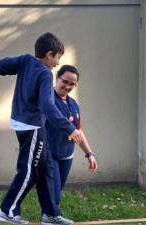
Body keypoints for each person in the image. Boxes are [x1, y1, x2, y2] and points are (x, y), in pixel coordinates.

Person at [0, 32, 82, 225]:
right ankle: (6, 209)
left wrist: (20, 62)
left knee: (46, 166)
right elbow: (49, 106)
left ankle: (50, 214)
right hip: (32, 126)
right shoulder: (44, 73)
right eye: (58, 58)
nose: (58, 63)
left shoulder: (25, 61)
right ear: (49, 54)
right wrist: (69, 128)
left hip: (25, 123)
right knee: (29, 170)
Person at [45, 65, 98, 206]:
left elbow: (78, 131)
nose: (67, 86)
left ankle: (50, 217)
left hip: (67, 155)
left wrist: (89, 154)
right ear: (57, 78)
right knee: (53, 198)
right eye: (65, 81)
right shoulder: (47, 100)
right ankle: (50, 218)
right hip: (49, 155)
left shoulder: (73, 103)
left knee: (55, 197)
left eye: (72, 84)